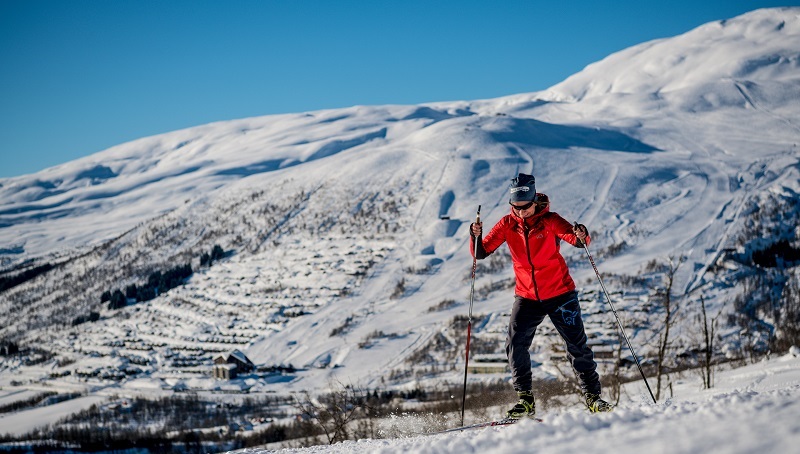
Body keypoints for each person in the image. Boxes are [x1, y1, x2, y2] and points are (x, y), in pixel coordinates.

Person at [470, 173, 612, 418]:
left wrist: (581, 235)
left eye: (525, 207)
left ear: (535, 200)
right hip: (527, 297)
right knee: (515, 345)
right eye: (516, 208)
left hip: (560, 293)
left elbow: (577, 240)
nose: (521, 212)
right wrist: (474, 235)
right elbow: (481, 253)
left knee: (576, 347)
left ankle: (593, 398)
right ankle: (525, 400)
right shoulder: (507, 224)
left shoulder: (550, 220)